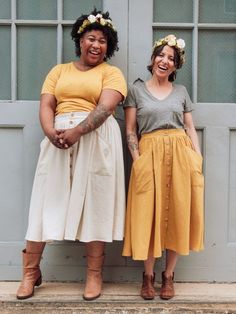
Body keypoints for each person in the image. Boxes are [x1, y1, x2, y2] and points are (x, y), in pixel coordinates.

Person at [16, 8, 127, 301]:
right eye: (91, 38)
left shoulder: (111, 73)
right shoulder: (58, 71)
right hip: (58, 141)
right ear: (80, 40)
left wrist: (78, 131)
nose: (96, 45)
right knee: (44, 201)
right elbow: (46, 104)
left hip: (96, 141)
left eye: (103, 41)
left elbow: (105, 107)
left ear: (109, 47)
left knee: (96, 204)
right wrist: (50, 130)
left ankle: (93, 274)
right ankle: (30, 272)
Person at [122, 34, 204, 300]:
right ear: (152, 58)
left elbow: (190, 127)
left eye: (171, 58)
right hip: (149, 155)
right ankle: (147, 276)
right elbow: (131, 129)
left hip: (181, 155)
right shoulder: (136, 90)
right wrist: (138, 160)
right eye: (161, 55)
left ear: (176, 66)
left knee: (178, 213)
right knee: (149, 215)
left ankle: (168, 275)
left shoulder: (181, 92)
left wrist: (197, 160)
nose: (165, 61)